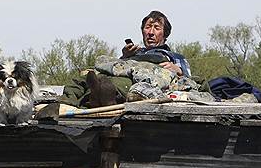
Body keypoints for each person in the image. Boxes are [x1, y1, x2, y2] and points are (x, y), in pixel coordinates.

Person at [61, 10, 191, 108]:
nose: (151, 32)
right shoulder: (135, 52)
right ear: (142, 31)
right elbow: (117, 69)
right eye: (147, 27)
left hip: (142, 77)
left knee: (121, 83)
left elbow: (189, 77)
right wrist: (124, 57)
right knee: (85, 76)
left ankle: (104, 97)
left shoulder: (174, 56)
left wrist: (178, 69)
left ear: (165, 34)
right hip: (126, 70)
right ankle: (67, 102)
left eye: (156, 28)